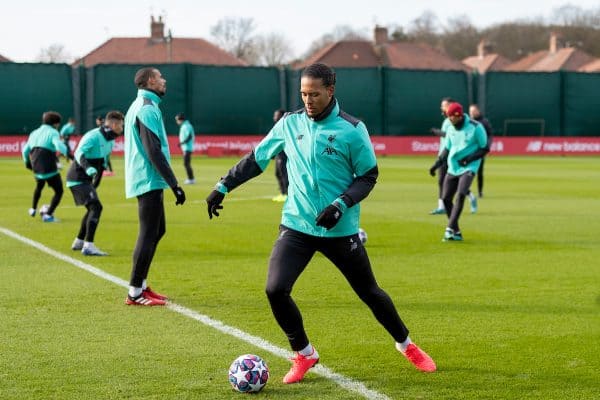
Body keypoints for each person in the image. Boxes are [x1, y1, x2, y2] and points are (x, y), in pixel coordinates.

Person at [206, 63, 436, 383]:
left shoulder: (352, 129)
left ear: (330, 91)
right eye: (303, 93)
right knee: (275, 289)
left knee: (369, 292)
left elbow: (368, 175)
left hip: (339, 230)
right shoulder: (290, 123)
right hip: (297, 225)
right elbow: (257, 159)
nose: (308, 100)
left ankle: (406, 345)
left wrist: (340, 205)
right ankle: (304, 353)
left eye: (314, 94)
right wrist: (223, 186)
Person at [124, 67, 186, 306]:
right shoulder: (147, 109)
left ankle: (140, 285)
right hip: (147, 178)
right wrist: (174, 184)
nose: (164, 80)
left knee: (157, 231)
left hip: (146, 178)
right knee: (148, 233)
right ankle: (134, 293)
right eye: (160, 77)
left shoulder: (142, 106)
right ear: (150, 81)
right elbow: (153, 151)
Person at [66, 111, 124, 256]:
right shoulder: (93, 136)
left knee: (92, 207)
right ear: (114, 124)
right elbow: (78, 153)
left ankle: (79, 241)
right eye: (121, 126)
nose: (122, 129)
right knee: (96, 207)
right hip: (78, 176)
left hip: (86, 179)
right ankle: (88, 246)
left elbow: (103, 162)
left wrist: (95, 183)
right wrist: (88, 168)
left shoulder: (111, 139)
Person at [429, 102, 489, 241]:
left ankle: (449, 228)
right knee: (445, 199)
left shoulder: (476, 127)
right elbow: (447, 149)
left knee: (461, 194)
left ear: (459, 115)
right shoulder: (450, 128)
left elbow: (484, 148)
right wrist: (436, 165)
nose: (450, 120)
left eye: (452, 117)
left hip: (469, 167)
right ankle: (456, 231)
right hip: (453, 167)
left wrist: (468, 159)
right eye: (448, 117)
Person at [429, 98, 478, 215]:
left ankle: (467, 198)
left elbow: (450, 134)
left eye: (444, 105)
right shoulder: (447, 120)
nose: (442, 108)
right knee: (444, 181)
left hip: (452, 156)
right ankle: (444, 206)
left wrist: (438, 132)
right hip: (444, 154)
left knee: (450, 181)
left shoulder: (453, 121)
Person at [22, 111, 68, 222]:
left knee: (39, 186)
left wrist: (27, 162)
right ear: (55, 124)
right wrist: (67, 152)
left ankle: (33, 209)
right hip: (48, 167)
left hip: (36, 166)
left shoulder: (34, 132)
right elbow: (58, 145)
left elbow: (25, 150)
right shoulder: (53, 132)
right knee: (59, 191)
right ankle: (48, 214)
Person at [468, 104, 493, 198]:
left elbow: (490, 134)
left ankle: (480, 191)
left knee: (479, 172)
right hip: (469, 150)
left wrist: (488, 145)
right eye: (470, 111)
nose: (472, 113)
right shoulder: (468, 122)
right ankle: (466, 191)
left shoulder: (484, 122)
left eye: (473, 111)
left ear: (478, 111)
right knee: (467, 172)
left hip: (480, 151)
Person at [271, 108, 288, 202]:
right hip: (278, 154)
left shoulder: (285, 127)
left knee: (284, 174)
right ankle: (282, 193)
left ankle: (287, 194)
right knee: (278, 174)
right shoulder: (276, 127)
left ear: (281, 116)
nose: (274, 117)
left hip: (283, 154)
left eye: (276, 115)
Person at [175, 112, 195, 184]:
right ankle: (191, 179)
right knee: (187, 163)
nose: (177, 122)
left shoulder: (186, 126)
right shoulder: (185, 125)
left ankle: (191, 179)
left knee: (186, 163)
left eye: (177, 120)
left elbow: (189, 136)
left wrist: (182, 143)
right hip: (186, 148)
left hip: (187, 147)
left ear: (181, 120)